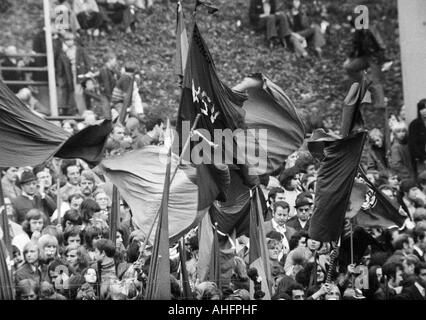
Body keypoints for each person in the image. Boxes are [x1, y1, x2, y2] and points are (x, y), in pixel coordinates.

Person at [56, 31, 91, 115]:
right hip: (70, 74)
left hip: (80, 73)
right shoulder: (64, 52)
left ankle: (83, 112)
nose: (69, 42)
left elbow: (87, 61)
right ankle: (76, 111)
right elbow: (60, 65)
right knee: (73, 92)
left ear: (73, 40)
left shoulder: (79, 49)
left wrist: (89, 71)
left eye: (70, 40)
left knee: (79, 92)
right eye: (67, 40)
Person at [408, 99, 426, 176]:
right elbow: (413, 144)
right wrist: (423, 158)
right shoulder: (414, 124)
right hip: (420, 160)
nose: (425, 110)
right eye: (422, 108)